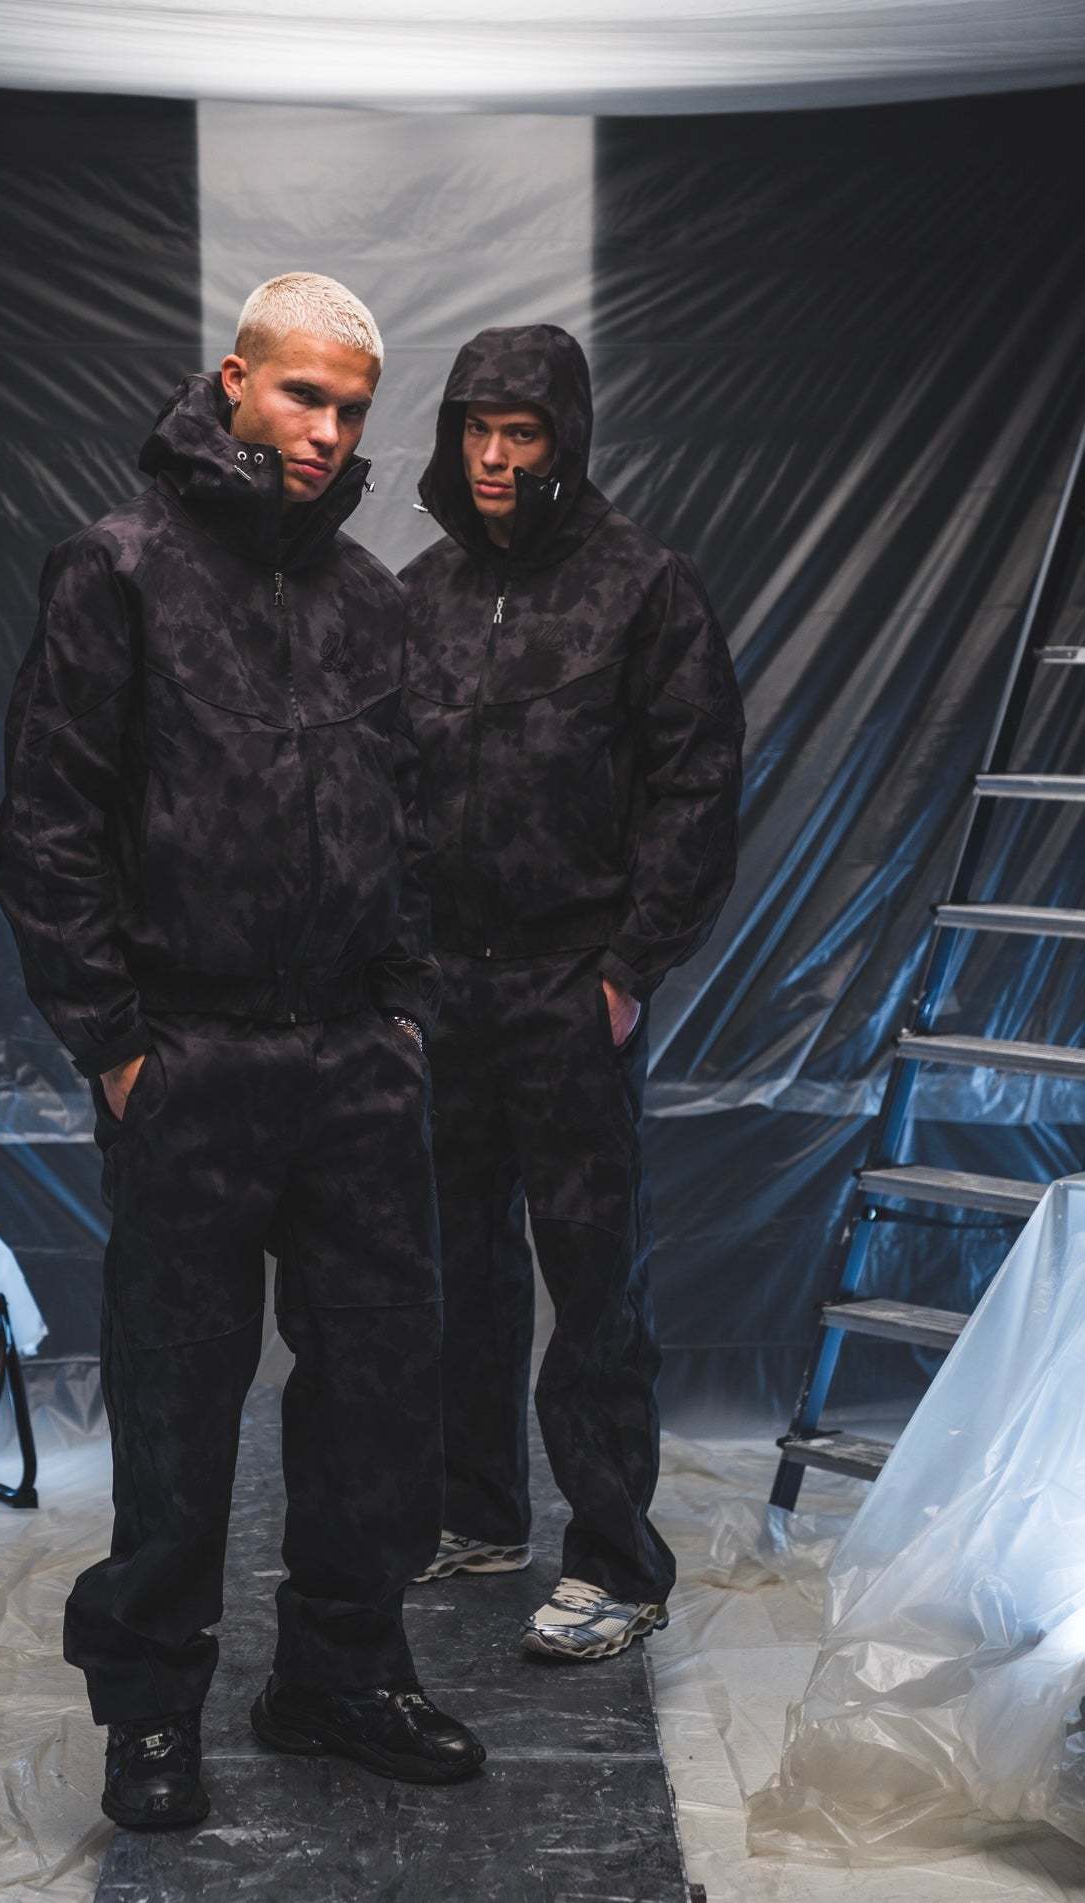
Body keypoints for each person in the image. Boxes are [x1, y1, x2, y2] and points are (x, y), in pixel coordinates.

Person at [0, 272, 485, 1832]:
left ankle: (338, 1674)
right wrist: (115, 1045)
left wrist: (400, 1014)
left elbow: (413, 824)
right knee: (176, 1401)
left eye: (352, 407)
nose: (328, 431)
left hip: (352, 1065)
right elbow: (47, 826)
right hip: (187, 1059)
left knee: (378, 1394)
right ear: (232, 382)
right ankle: (151, 1707)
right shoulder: (117, 571)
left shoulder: (370, 599)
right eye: (302, 394)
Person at [401, 323, 744, 1661]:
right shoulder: (420, 591)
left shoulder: (640, 587)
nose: (493, 456)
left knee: (592, 1278)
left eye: (521, 431)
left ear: (565, 439)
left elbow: (695, 784)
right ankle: (476, 1512)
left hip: (568, 982)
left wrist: (628, 965)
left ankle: (616, 1563)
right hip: (444, 984)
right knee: (457, 1266)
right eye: (476, 429)